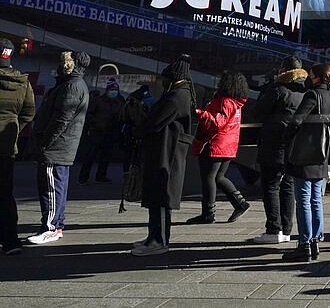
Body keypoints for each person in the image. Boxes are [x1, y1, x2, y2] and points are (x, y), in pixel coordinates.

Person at [133, 56, 196, 256]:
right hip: (163, 150)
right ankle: (154, 235)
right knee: (156, 196)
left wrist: (140, 126)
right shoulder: (178, 94)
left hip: (167, 153)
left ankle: (159, 240)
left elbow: (155, 121)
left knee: (160, 197)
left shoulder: (177, 96)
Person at [28, 50, 90, 245]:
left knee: (51, 187)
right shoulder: (72, 84)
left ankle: (51, 227)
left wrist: (46, 141)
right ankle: (55, 225)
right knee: (56, 186)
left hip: (56, 147)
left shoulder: (71, 86)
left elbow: (61, 119)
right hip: (61, 146)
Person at [282, 63, 330, 262]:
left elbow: (297, 121)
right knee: (316, 199)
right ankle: (315, 241)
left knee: (303, 199)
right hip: (321, 155)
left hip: (305, 155)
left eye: (311, 74)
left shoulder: (312, 96)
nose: (308, 77)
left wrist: (287, 137)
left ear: (317, 78)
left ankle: (304, 244)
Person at [248, 57, 305, 244]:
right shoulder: (304, 92)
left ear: (284, 70)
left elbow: (258, 112)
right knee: (288, 187)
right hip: (294, 146)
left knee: (270, 186)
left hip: (274, 144)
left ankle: (274, 230)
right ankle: (286, 231)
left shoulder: (278, 89)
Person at [186, 71, 250, 225]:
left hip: (215, 144)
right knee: (218, 177)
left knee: (208, 177)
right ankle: (240, 203)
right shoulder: (236, 103)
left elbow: (217, 122)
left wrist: (199, 113)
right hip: (228, 145)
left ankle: (208, 213)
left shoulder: (224, 101)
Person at [0, 38, 35, 255]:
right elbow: (29, 112)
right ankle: (11, 240)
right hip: (6, 145)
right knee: (5, 193)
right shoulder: (22, 81)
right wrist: (14, 131)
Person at [77, 78, 126, 184]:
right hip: (97, 131)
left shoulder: (119, 102)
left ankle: (101, 175)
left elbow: (122, 116)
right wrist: (95, 123)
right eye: (112, 89)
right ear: (107, 90)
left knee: (106, 156)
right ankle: (83, 177)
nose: (114, 91)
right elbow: (88, 114)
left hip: (111, 132)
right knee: (90, 155)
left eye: (115, 89)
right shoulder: (98, 100)